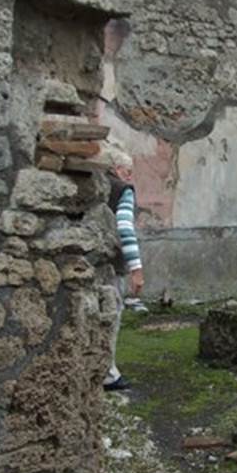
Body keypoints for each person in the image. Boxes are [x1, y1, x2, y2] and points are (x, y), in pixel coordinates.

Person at [100, 140, 144, 392]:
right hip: (111, 264)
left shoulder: (95, 186)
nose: (130, 176)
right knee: (111, 314)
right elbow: (125, 228)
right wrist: (136, 269)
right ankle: (108, 374)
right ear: (115, 169)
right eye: (127, 170)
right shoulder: (122, 190)